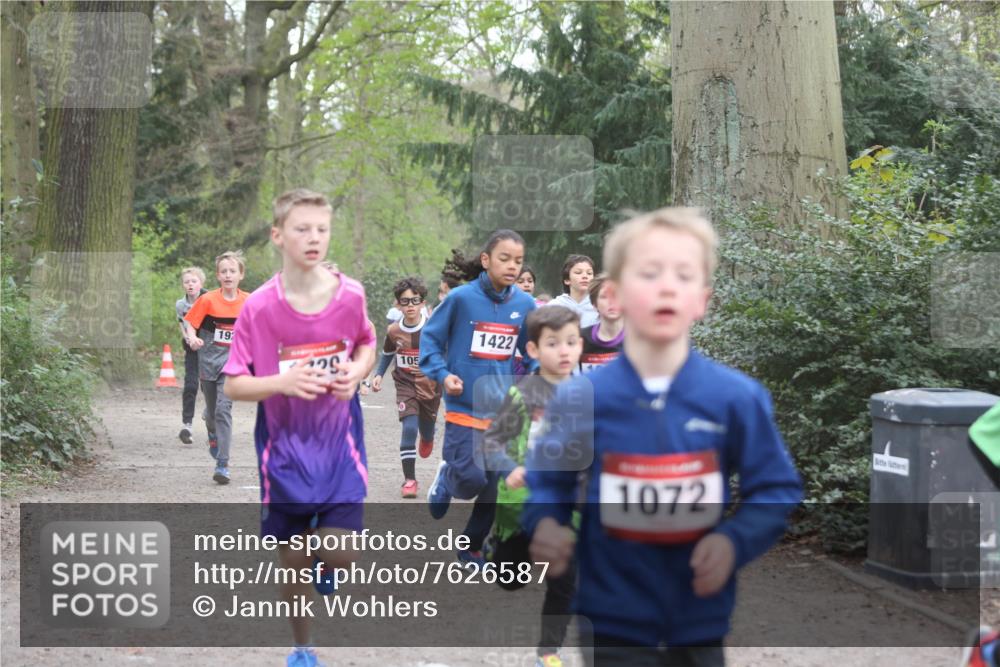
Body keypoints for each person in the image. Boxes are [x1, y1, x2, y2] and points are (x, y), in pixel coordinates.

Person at [524, 207, 803, 666]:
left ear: (702, 299)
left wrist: (735, 541)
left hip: (699, 618)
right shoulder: (583, 397)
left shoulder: (735, 398)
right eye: (650, 273)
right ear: (613, 295)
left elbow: (775, 487)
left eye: (684, 275)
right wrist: (548, 525)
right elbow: (547, 481)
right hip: (609, 618)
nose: (667, 285)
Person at [223, 188, 376, 667]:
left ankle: (325, 559)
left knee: (340, 554)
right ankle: (303, 647)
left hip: (338, 443)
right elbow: (233, 386)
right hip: (284, 451)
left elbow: (367, 343)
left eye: (322, 229)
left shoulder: (350, 295)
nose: (314, 238)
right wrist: (283, 382)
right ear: (278, 236)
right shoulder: (260, 308)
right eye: (302, 229)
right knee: (293, 563)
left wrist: (357, 371)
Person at [420, 233, 537, 568]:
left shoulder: (525, 305)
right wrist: (443, 375)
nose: (512, 266)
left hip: (502, 408)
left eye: (518, 260)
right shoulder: (461, 299)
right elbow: (430, 339)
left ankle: (471, 547)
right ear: (486, 260)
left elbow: (533, 352)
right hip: (463, 404)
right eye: (505, 258)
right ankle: (448, 478)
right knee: (472, 479)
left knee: (495, 483)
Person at [482, 306, 583, 667]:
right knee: (510, 579)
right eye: (554, 343)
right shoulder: (522, 394)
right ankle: (497, 546)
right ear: (534, 351)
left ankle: (548, 651)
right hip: (520, 502)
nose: (565, 351)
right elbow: (492, 441)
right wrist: (509, 468)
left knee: (566, 578)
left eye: (572, 342)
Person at [183, 251, 250, 484]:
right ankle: (211, 429)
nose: (228, 275)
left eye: (233, 271)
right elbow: (190, 323)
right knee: (212, 413)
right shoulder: (208, 300)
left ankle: (223, 464)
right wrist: (192, 338)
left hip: (233, 364)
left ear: (241, 275)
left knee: (224, 410)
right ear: (218, 275)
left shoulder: (249, 302)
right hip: (209, 361)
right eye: (224, 271)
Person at [371, 277, 442, 498]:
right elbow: (387, 354)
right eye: (405, 302)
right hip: (405, 384)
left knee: (426, 429)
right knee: (409, 428)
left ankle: (428, 437)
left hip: (430, 385)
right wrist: (378, 375)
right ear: (398, 305)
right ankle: (409, 480)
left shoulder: (433, 327)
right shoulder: (394, 331)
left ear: (422, 302)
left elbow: (445, 354)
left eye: (415, 301)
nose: (410, 306)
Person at [176, 267, 207, 444]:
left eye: (193, 281)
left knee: (208, 385)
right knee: (190, 384)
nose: (190, 285)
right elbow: (182, 323)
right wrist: (188, 338)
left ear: (200, 284)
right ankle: (187, 425)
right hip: (191, 348)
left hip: (210, 347)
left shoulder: (209, 299)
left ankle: (211, 413)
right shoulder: (181, 305)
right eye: (187, 282)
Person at [579, 273, 624, 373]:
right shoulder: (580, 338)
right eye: (604, 296)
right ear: (594, 304)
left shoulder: (639, 340)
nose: (611, 301)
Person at [547, 254, 598, 327]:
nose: (585, 276)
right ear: (567, 280)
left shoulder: (599, 306)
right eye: (578, 272)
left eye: (589, 273)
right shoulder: (554, 306)